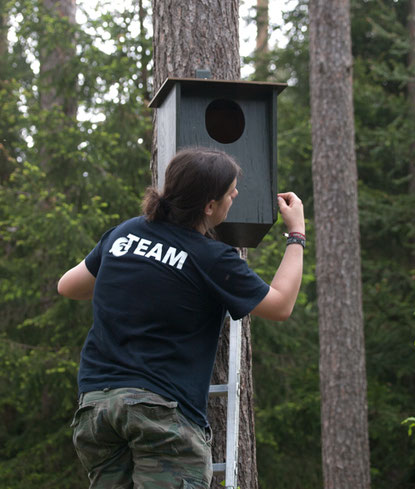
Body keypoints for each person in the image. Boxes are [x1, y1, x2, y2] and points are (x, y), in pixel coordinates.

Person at [58, 147, 305, 489]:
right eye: (230, 191)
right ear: (208, 206)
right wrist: (296, 235)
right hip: (159, 411)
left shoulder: (123, 234)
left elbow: (68, 286)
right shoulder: (211, 256)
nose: (235, 195)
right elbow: (280, 305)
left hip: (97, 409)